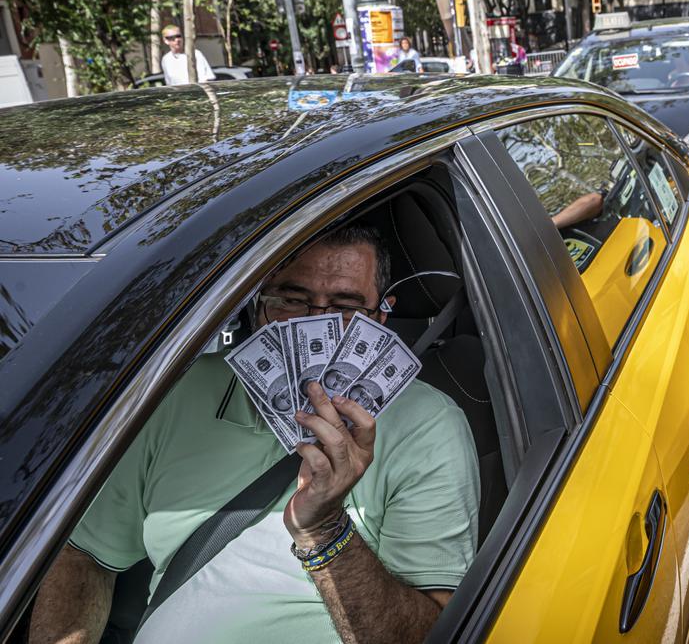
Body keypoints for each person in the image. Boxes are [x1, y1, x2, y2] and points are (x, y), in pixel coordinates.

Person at [31, 224, 480, 644]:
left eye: (345, 307)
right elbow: (85, 555)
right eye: (291, 299)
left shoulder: (429, 425)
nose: (311, 326)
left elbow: (431, 632)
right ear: (255, 305)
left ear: (379, 319)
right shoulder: (176, 394)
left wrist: (323, 529)